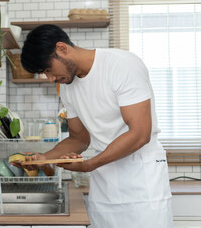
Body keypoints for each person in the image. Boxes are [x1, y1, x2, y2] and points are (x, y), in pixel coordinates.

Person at [19, 24, 173, 228]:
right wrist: (46, 158)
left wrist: (90, 164)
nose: (50, 79)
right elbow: (79, 139)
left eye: (48, 70)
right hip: (104, 181)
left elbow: (139, 134)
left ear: (62, 48)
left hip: (142, 178)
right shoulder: (67, 88)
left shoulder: (121, 65)